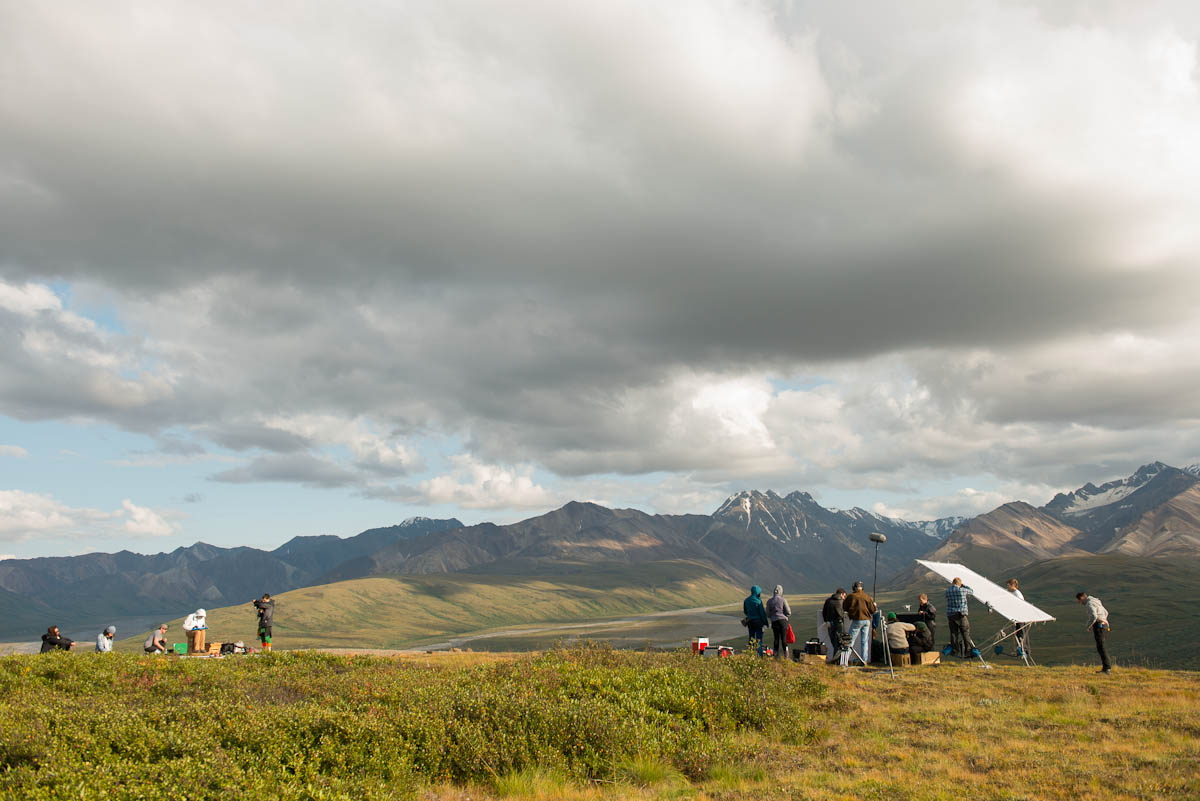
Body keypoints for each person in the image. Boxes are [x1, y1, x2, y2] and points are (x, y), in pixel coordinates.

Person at [1076, 591, 1112, 673]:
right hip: (1104, 625)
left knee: (1101, 647)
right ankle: (1106, 668)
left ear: (1082, 598)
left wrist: (1088, 626)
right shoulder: (1096, 601)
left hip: (1099, 626)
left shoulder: (1089, 604)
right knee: (1102, 646)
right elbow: (1106, 612)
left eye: (1079, 601)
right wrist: (1104, 620)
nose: (1079, 603)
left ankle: (1107, 669)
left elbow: (1094, 616)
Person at [843, 581, 877, 665]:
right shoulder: (867, 596)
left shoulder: (851, 596)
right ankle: (864, 660)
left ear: (854, 588)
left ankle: (845, 660)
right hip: (867, 621)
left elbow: (845, 607)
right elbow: (873, 610)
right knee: (864, 641)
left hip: (857, 620)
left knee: (850, 641)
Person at [945, 578, 975, 658]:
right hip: (960, 614)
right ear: (960, 583)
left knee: (954, 633)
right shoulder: (962, 590)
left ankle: (955, 651)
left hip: (951, 614)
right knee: (965, 632)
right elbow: (971, 591)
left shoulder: (947, 591)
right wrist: (963, 586)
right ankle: (968, 651)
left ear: (952, 583)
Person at [765, 585, 792, 659]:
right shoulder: (783, 600)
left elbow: (767, 613)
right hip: (783, 621)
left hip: (774, 621)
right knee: (784, 639)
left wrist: (773, 616)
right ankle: (786, 656)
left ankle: (775, 655)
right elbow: (789, 612)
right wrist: (785, 615)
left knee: (776, 639)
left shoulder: (769, 601)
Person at [820, 588, 847, 664]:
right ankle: (837, 659)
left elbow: (824, 612)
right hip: (838, 622)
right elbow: (841, 613)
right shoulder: (841, 601)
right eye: (844, 596)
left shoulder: (828, 601)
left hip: (829, 622)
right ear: (841, 594)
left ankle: (835, 658)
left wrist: (826, 621)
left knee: (833, 640)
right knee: (838, 641)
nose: (844, 597)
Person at [743, 585, 769, 656]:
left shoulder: (746, 600)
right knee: (759, 639)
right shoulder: (758, 601)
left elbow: (745, 611)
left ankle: (750, 654)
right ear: (758, 592)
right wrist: (766, 623)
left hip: (750, 622)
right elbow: (762, 613)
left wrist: (750, 614)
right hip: (758, 622)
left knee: (751, 638)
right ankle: (759, 655)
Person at [1006, 578, 1029, 655]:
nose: (1007, 587)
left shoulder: (1017, 594)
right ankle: (1018, 649)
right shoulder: (1011, 592)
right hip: (1016, 616)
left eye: (1008, 585)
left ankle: (1023, 649)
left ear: (1013, 585)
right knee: (1017, 633)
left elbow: (1020, 606)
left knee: (1021, 633)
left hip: (1021, 616)